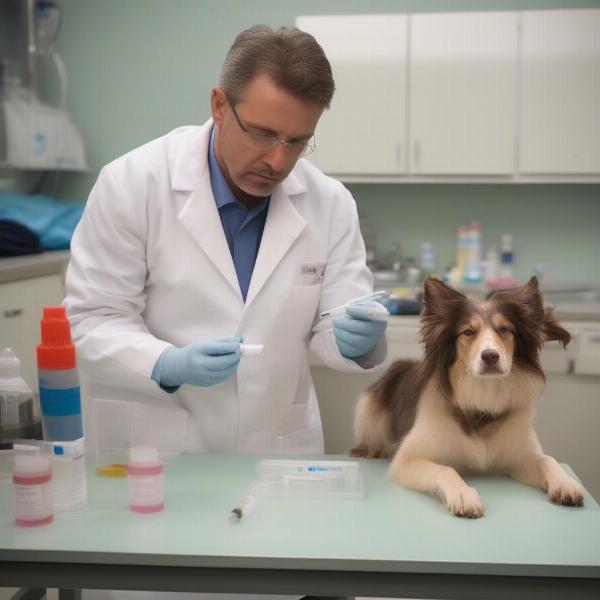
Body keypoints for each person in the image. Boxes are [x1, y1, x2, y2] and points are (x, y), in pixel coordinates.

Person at [66, 23, 387, 462]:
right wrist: (164, 363)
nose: (277, 160)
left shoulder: (329, 202)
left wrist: (357, 340)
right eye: (260, 132)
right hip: (162, 452)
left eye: (296, 142)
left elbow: (336, 323)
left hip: (279, 449)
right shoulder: (132, 184)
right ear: (219, 105)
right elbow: (92, 321)